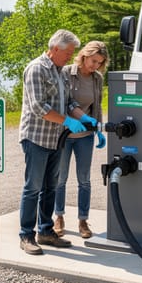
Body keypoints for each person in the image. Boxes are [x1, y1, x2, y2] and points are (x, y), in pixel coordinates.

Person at [17, 29, 98, 255]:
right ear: (55, 49)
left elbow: (70, 102)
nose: (71, 57)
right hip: (36, 138)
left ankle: (45, 231)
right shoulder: (37, 69)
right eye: (68, 52)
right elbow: (38, 107)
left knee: (50, 187)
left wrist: (84, 118)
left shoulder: (60, 71)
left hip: (56, 139)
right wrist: (67, 122)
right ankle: (26, 235)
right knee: (33, 188)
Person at [53, 41, 108, 239]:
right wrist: (77, 120)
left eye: (99, 63)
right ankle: (58, 217)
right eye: (94, 61)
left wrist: (98, 129)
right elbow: (65, 103)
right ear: (84, 55)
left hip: (84, 136)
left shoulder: (97, 79)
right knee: (60, 179)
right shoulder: (66, 72)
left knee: (84, 180)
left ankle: (83, 220)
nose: (95, 66)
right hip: (65, 134)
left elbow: (97, 106)